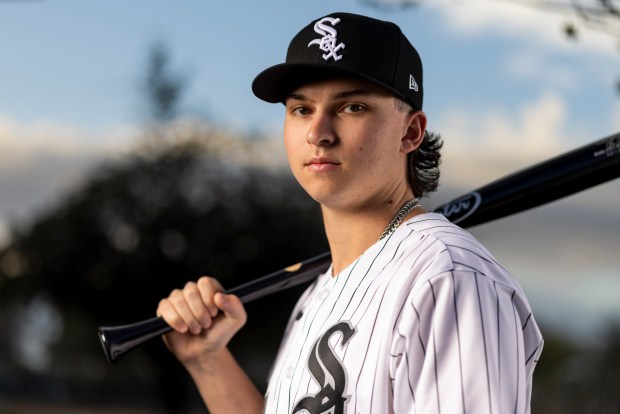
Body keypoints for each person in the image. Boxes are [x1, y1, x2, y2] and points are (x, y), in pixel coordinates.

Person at [156, 12, 543, 414]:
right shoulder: (319, 293)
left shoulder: (451, 281)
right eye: (301, 110)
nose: (318, 132)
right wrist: (207, 361)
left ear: (410, 132)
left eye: (352, 107)